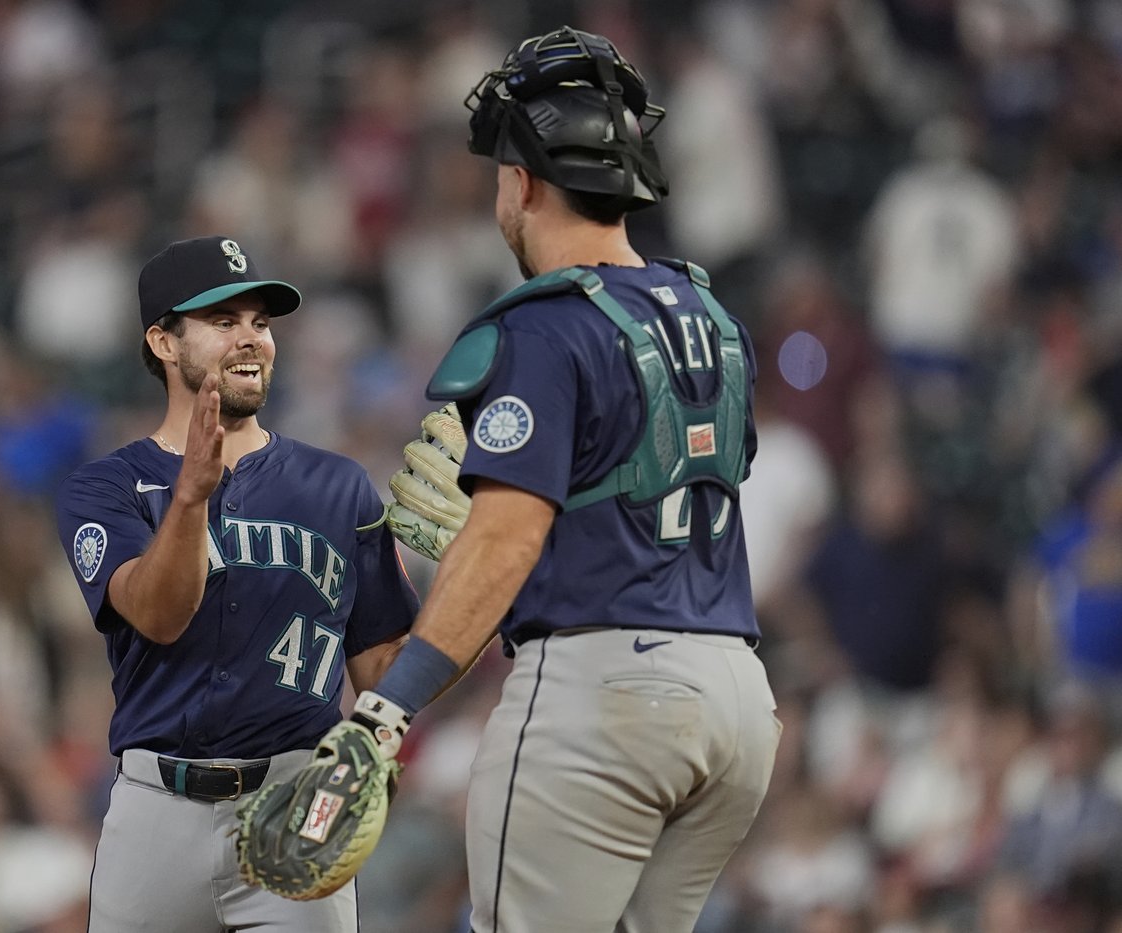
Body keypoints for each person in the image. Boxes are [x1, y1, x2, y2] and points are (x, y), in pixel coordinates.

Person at [335, 27, 782, 933]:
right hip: (736, 700)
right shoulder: (711, 313)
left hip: (603, 697)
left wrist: (386, 710)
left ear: (524, 181)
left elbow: (506, 539)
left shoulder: (546, 327)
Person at [54, 236, 418, 932]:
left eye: (261, 321)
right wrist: (189, 498)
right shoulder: (106, 488)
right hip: (156, 810)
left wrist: (481, 588)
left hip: (294, 801)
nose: (251, 338)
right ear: (164, 341)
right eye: (224, 322)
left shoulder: (337, 486)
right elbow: (157, 615)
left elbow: (385, 666)